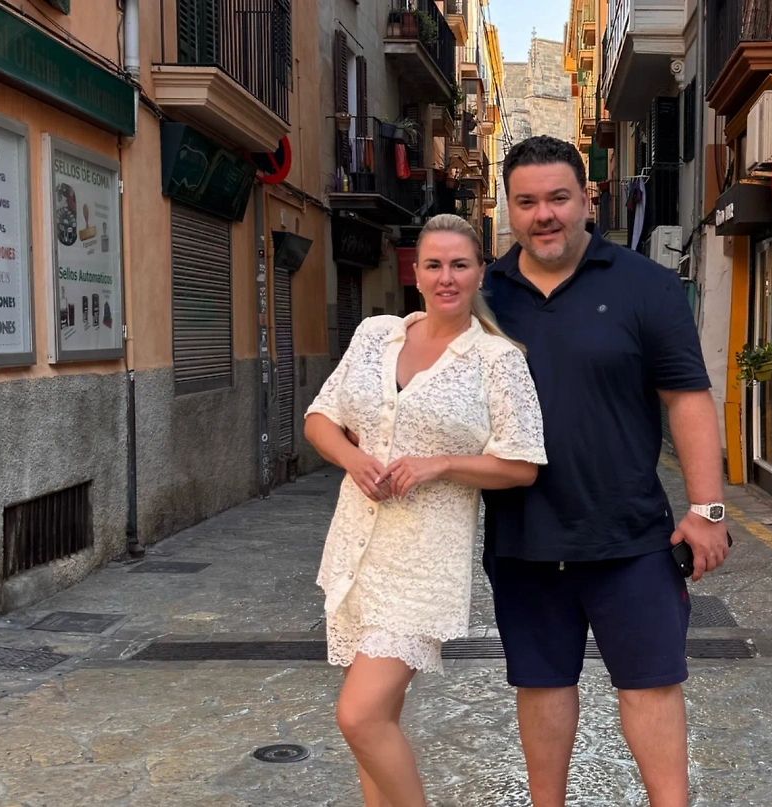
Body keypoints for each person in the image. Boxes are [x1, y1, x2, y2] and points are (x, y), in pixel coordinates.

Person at [482, 135, 730, 807]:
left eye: (558, 198)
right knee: (540, 684)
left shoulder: (645, 285)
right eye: (526, 202)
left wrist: (707, 509)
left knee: (651, 685)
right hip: (523, 538)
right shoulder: (483, 296)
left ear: (587, 199)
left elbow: (687, 398)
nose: (544, 214)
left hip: (632, 536)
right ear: (508, 208)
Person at [304, 213, 547, 807]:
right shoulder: (376, 335)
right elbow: (319, 417)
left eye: (459, 265)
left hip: (424, 563)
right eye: (434, 265)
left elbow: (522, 464)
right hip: (355, 551)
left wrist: (440, 464)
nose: (446, 277)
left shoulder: (497, 359)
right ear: (415, 272)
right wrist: (353, 460)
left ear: (480, 272)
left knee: (359, 716)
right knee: (375, 725)